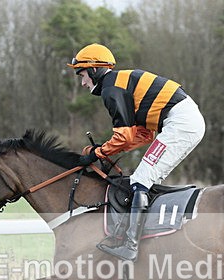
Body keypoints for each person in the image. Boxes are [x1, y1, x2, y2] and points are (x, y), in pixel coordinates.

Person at [67, 43, 206, 262]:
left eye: (82, 75)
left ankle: (131, 245)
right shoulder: (119, 83)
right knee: (144, 178)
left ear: (94, 70)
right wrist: (103, 151)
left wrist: (97, 154)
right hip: (182, 121)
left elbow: (124, 137)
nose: (83, 82)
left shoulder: (111, 89)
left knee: (140, 179)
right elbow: (141, 136)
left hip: (180, 123)